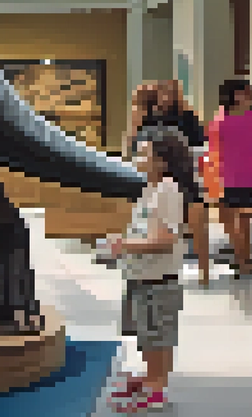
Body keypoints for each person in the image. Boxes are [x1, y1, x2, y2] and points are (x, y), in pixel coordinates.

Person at [105, 127, 197, 413]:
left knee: (157, 337)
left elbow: (165, 239)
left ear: (162, 161)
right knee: (147, 335)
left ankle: (156, 389)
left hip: (158, 280)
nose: (137, 158)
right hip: (143, 277)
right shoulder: (152, 189)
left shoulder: (167, 190)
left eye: (143, 154)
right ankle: (151, 378)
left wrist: (124, 245)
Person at [134, 81, 211, 285]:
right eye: (162, 93)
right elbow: (136, 143)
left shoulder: (187, 117)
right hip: (159, 173)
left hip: (182, 170)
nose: (166, 97)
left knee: (196, 221)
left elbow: (200, 142)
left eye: (170, 92)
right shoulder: (150, 119)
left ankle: (204, 271)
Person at [208, 78, 252, 277]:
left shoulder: (222, 120)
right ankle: (243, 258)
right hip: (237, 175)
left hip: (234, 175)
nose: (250, 95)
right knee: (239, 220)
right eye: (246, 91)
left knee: (235, 219)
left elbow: (214, 150)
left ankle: (242, 259)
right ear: (236, 95)